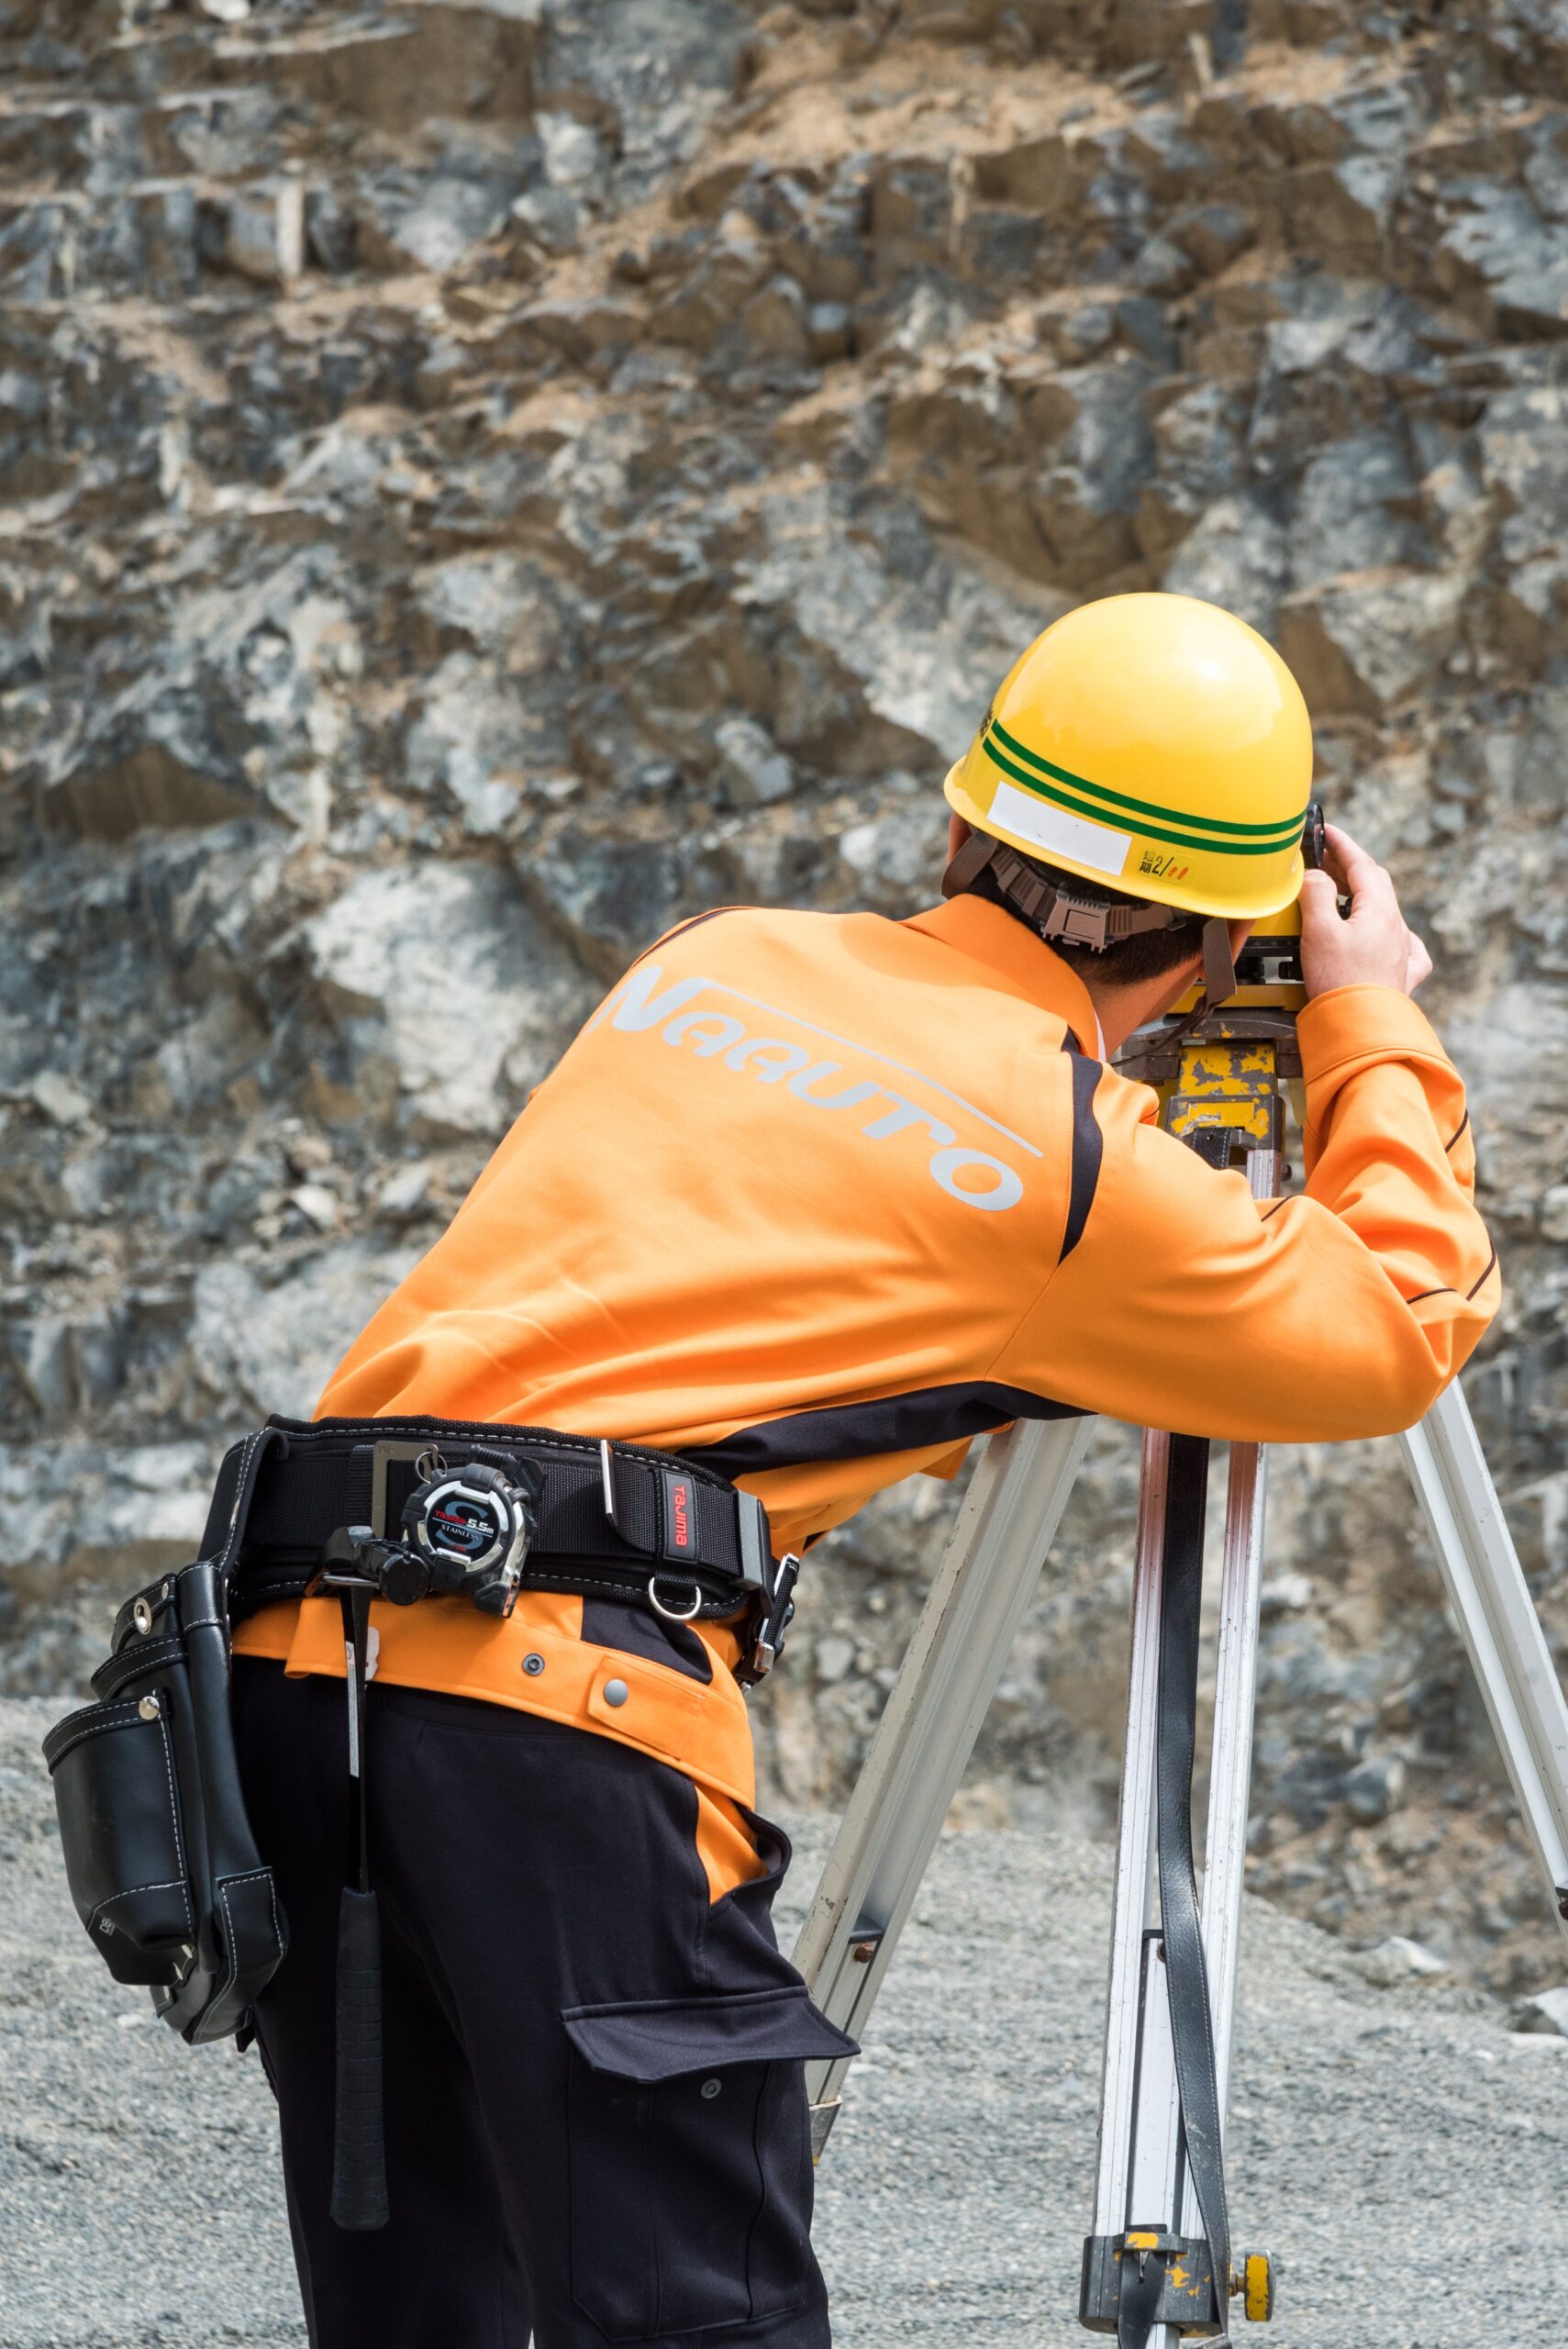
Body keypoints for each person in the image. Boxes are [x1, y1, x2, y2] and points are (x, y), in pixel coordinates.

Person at [225, 590, 1497, 2348]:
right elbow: (1389, 1333)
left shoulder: (715, 957)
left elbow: (784, 1248)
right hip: (551, 1711)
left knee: (433, 2313)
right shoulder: (1074, 1169)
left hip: (291, 1679)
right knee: (692, 2320)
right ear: (1229, 939)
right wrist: (1365, 1029)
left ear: (963, 824)